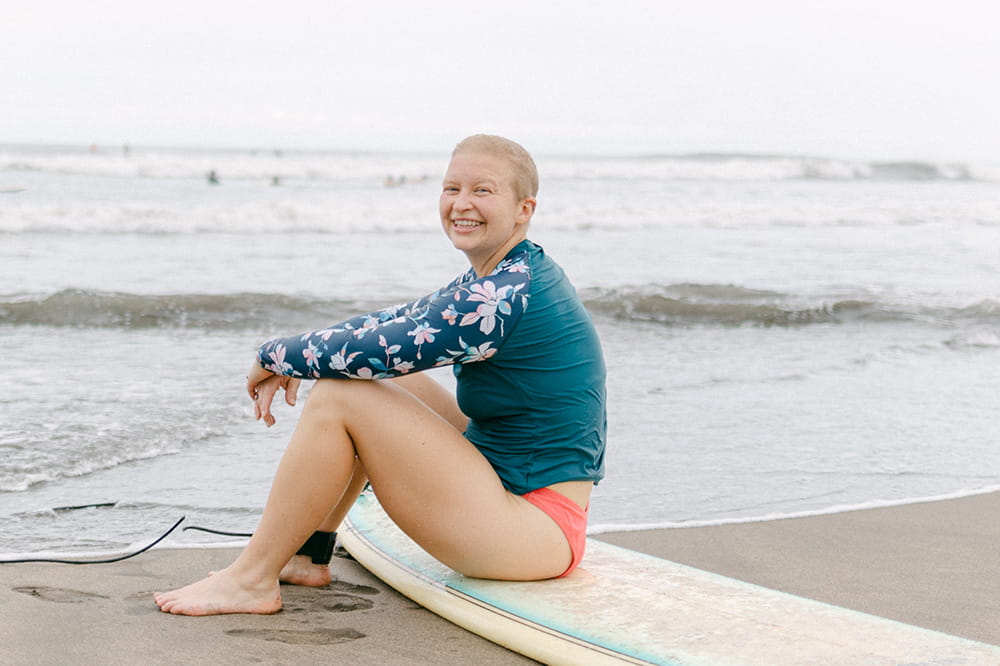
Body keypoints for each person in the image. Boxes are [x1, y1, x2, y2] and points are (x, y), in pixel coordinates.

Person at [154, 134, 606, 616]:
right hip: (512, 498)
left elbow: (387, 349)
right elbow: (390, 324)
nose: (462, 203)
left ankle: (250, 580)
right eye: (451, 188)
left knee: (340, 395)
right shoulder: (503, 275)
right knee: (363, 380)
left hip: (534, 530)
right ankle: (307, 553)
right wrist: (287, 355)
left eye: (483, 190)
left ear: (523, 209)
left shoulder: (505, 294)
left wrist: (277, 355)